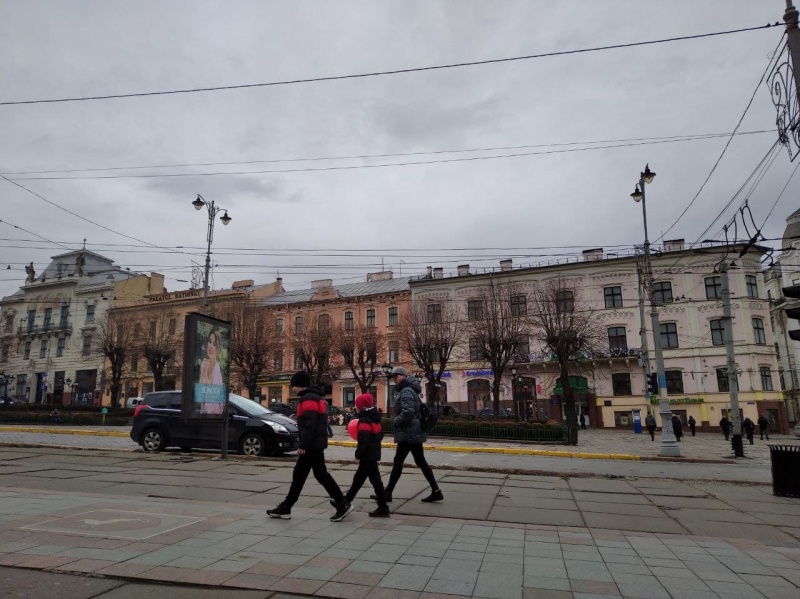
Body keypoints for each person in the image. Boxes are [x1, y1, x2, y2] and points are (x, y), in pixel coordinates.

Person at [267, 371, 352, 522]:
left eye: (294, 385)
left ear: (299, 385)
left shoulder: (308, 399)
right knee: (299, 474)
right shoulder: (312, 397)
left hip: (312, 445)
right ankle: (286, 507)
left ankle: (342, 503)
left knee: (320, 474)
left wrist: (303, 445)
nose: (293, 389)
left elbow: (309, 424)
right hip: (313, 443)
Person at [374, 366, 442, 503]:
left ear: (403, 376)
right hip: (412, 432)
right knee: (418, 461)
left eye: (396, 376)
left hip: (409, 432)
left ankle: (388, 493)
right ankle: (436, 491)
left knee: (399, 462)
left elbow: (408, 412)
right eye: (393, 376)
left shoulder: (406, 391)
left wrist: (396, 421)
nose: (394, 378)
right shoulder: (409, 389)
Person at [337, 393, 389, 517]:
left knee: (367, 480)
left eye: (357, 405)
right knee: (364, 479)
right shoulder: (375, 419)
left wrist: (358, 455)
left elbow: (363, 440)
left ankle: (382, 507)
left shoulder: (364, 421)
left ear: (361, 407)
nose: (356, 407)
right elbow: (380, 435)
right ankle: (347, 501)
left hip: (367, 456)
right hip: (373, 454)